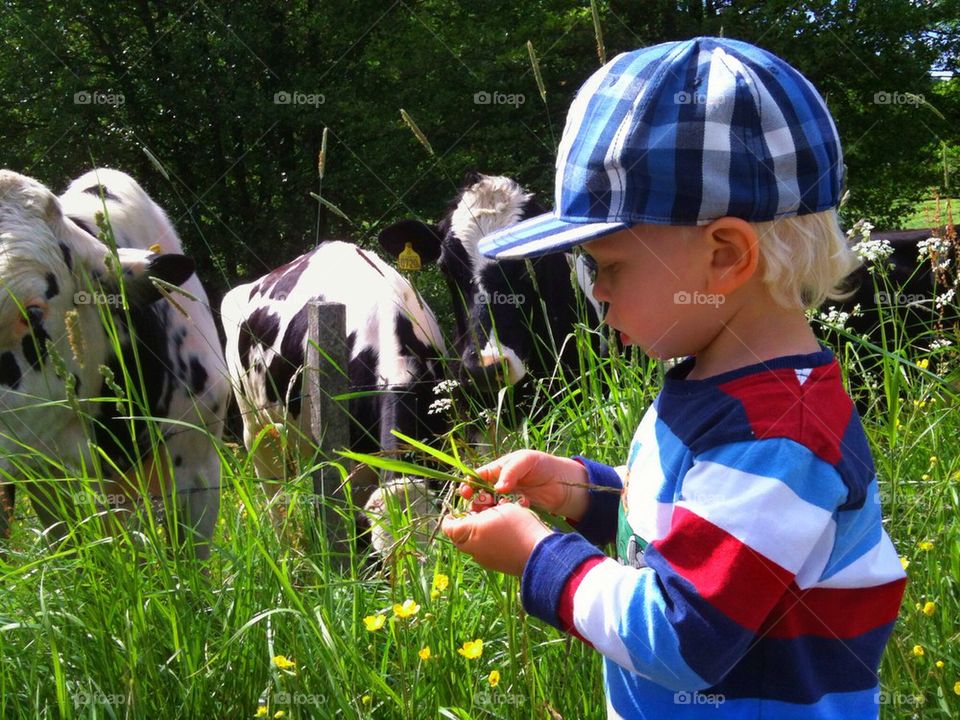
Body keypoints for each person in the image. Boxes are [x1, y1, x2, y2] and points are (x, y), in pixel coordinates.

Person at [441, 37, 907, 719]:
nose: (595, 292)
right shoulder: (717, 389)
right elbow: (690, 525)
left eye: (609, 265)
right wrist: (582, 490)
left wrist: (537, 555)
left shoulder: (780, 433)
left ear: (724, 256)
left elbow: (683, 634)